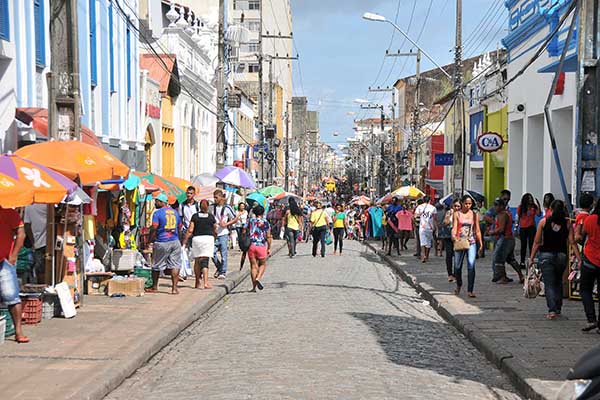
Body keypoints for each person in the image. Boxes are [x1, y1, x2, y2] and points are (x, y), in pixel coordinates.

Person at [529, 200, 582, 320]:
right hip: (562, 256)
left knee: (549, 283)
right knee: (558, 281)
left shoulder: (543, 222)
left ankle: (552, 310)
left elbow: (537, 242)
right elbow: (572, 242)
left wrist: (531, 258)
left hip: (546, 256)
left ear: (551, 209)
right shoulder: (567, 223)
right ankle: (558, 307)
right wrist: (579, 259)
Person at [0, 206, 28, 343]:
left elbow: (21, 234)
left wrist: (13, 256)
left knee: (11, 296)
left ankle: (18, 331)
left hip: (4, 261)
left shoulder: (9, 213)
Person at [147, 193, 182, 295]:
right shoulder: (175, 212)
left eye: (156, 201)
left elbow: (154, 227)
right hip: (175, 241)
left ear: (161, 202)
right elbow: (179, 227)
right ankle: (174, 289)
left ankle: (154, 287)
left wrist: (150, 240)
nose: (155, 203)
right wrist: (178, 239)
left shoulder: (157, 213)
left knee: (156, 265)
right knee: (175, 265)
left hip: (162, 241)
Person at [488, 198, 525, 284]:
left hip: (505, 239)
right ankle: (520, 275)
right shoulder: (507, 213)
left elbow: (501, 229)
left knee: (498, 259)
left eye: (497, 205)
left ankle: (502, 277)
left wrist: (492, 232)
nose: (495, 207)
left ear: (501, 206)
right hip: (509, 239)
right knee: (511, 259)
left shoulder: (502, 215)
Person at [452, 195, 483, 298]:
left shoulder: (474, 215)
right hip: (460, 241)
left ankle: (470, 289)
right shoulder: (457, 214)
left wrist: (481, 243)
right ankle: (459, 284)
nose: (468, 206)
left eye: (470, 204)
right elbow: (454, 227)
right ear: (462, 203)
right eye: (466, 203)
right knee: (457, 266)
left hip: (471, 242)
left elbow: (477, 230)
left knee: (471, 265)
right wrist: (454, 237)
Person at [182, 200, 216, 290]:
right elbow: (215, 228)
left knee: (197, 260)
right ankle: (206, 282)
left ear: (199, 207)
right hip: (208, 239)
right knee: (205, 261)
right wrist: (214, 237)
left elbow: (190, 230)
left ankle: (197, 281)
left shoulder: (195, 216)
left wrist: (184, 241)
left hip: (197, 239)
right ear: (208, 207)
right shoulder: (211, 217)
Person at [579, 200, 600, 332]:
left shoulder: (590, 219)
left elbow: (582, 237)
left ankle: (591, 319)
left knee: (585, 290)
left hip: (590, 260)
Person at [211, 189, 239, 280]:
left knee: (224, 254)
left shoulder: (227, 208)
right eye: (214, 197)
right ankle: (219, 267)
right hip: (214, 233)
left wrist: (226, 224)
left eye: (216, 197)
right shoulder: (211, 207)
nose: (215, 199)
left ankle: (223, 272)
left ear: (221, 197)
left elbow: (235, 218)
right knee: (212, 253)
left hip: (223, 233)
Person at [244, 205, 272, 292]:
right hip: (261, 245)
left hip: (251, 245)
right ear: (263, 212)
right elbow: (268, 236)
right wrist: (269, 247)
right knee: (263, 264)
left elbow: (244, 231)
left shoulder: (250, 221)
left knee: (253, 266)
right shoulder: (265, 222)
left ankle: (253, 287)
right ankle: (258, 277)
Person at [24, 204, 47, 284]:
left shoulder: (28, 206)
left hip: (37, 242)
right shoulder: (48, 204)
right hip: (49, 241)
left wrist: (32, 241)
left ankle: (41, 288)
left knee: (40, 269)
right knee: (46, 268)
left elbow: (27, 225)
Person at [516, 193, 542, 268]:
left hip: (531, 227)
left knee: (532, 244)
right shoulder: (521, 207)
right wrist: (515, 228)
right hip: (523, 228)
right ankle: (522, 262)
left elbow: (539, 214)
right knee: (523, 245)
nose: (530, 200)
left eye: (531, 198)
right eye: (529, 198)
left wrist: (538, 206)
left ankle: (531, 260)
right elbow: (517, 218)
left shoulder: (534, 207)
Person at [441, 199, 460, 282]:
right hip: (449, 236)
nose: (456, 207)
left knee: (457, 256)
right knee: (449, 255)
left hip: (458, 237)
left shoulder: (462, 213)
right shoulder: (449, 212)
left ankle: (456, 274)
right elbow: (444, 222)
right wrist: (449, 216)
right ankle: (450, 274)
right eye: (455, 206)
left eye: (458, 206)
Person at [415, 196, 438, 263]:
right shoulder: (433, 208)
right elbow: (435, 219)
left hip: (422, 227)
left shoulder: (419, 207)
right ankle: (427, 256)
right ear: (430, 200)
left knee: (422, 242)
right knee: (428, 242)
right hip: (430, 227)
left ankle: (423, 256)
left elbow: (415, 216)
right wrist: (436, 228)